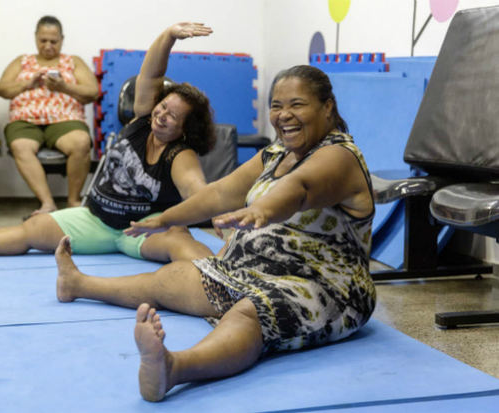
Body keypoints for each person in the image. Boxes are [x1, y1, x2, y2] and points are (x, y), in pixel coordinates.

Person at [53, 65, 377, 402]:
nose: (284, 116)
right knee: (172, 277)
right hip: (248, 271)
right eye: (277, 106)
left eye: (297, 104)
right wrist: (164, 219)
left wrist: (261, 210)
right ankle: (77, 284)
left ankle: (172, 368)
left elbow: (300, 188)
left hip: (323, 288)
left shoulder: (340, 156)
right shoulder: (276, 153)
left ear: (327, 106)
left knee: (251, 312)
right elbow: (220, 194)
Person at [0, 22, 217, 264]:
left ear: (186, 128)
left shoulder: (180, 154)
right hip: (95, 220)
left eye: (173, 116)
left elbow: (197, 191)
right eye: (163, 107)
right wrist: (167, 36)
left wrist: (171, 220)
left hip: (140, 229)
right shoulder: (143, 119)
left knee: (178, 242)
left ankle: (221, 276)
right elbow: (150, 73)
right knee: (32, 230)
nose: (162, 116)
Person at [0, 16, 99, 217]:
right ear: (35, 38)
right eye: (43, 40)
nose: (48, 46)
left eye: (53, 41)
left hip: (65, 119)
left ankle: (74, 200)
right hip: (25, 120)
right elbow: (1, 89)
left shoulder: (73, 61)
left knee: (80, 142)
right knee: (20, 146)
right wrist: (27, 84)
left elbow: (92, 92)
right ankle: (47, 203)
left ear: (62, 39)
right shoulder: (22, 61)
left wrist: (64, 86)